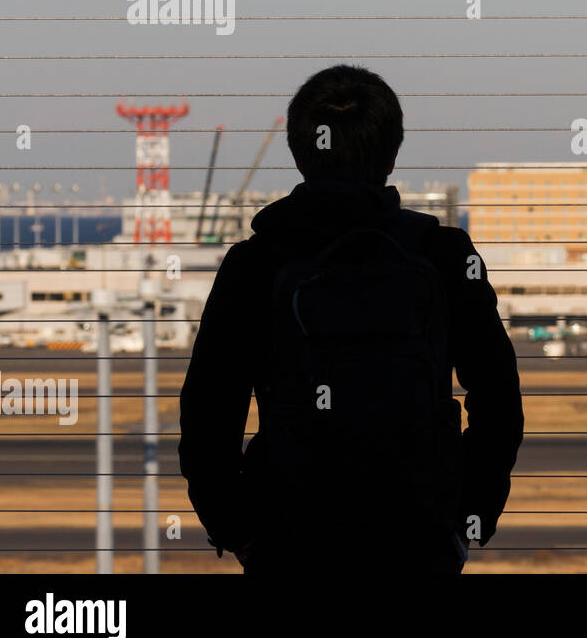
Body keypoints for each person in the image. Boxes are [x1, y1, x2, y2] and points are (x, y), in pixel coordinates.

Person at [179, 64, 524, 575]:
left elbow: (208, 416)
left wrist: (243, 534)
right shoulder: (444, 256)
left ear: (297, 153)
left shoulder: (256, 264)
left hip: (291, 544)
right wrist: (466, 521)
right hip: (418, 542)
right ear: (392, 152)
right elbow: (499, 402)